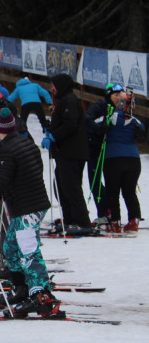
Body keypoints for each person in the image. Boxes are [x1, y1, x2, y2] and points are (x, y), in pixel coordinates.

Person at [0, 108, 60, 318]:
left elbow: (2, 182)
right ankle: (23, 288)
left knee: (28, 250)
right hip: (29, 205)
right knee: (11, 247)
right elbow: (4, 170)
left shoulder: (7, 149)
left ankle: (42, 295)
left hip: (28, 207)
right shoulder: (23, 143)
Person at [40, 74, 91, 235]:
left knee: (71, 187)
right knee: (61, 187)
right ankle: (69, 219)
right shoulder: (62, 101)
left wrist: (55, 135)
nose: (51, 89)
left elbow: (71, 123)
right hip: (63, 152)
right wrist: (51, 129)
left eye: (53, 85)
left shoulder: (69, 100)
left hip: (72, 152)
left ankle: (82, 222)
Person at [96, 89, 144, 233]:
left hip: (113, 159)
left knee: (113, 191)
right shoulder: (136, 121)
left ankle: (115, 222)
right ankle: (134, 220)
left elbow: (96, 125)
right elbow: (141, 132)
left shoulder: (109, 117)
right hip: (133, 159)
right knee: (129, 191)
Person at [84, 84, 123, 224]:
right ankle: (104, 211)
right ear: (109, 96)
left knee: (113, 182)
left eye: (120, 95)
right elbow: (87, 120)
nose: (118, 98)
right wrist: (100, 128)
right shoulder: (99, 106)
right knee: (95, 181)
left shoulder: (122, 109)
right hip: (95, 148)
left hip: (113, 151)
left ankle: (113, 212)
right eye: (115, 95)